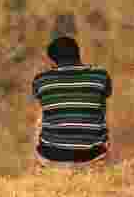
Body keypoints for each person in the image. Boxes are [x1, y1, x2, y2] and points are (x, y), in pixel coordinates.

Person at [32, 36, 112, 170]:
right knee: (98, 105)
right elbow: (106, 95)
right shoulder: (100, 76)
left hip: (51, 156)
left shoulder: (41, 79)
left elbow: (42, 101)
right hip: (91, 155)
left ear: (53, 60)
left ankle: (45, 166)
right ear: (78, 54)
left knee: (42, 115)